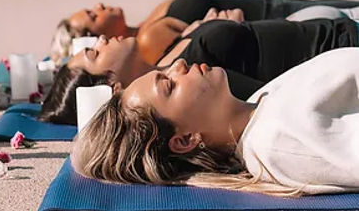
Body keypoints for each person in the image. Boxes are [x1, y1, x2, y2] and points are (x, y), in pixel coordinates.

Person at [71, 47, 359, 195]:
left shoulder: (260, 102)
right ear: (186, 139)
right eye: (169, 85)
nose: (179, 65)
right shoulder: (279, 142)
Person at [39, 15, 359, 125]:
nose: (103, 39)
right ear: (112, 86)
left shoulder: (173, 64)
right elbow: (278, 99)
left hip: (338, 30)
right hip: (344, 46)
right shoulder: (197, 81)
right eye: (95, 53)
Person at [50, 0, 359, 65]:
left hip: (286, 11)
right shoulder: (148, 40)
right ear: (98, 38)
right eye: (93, 15)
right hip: (290, 18)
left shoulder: (146, 26)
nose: (100, 7)